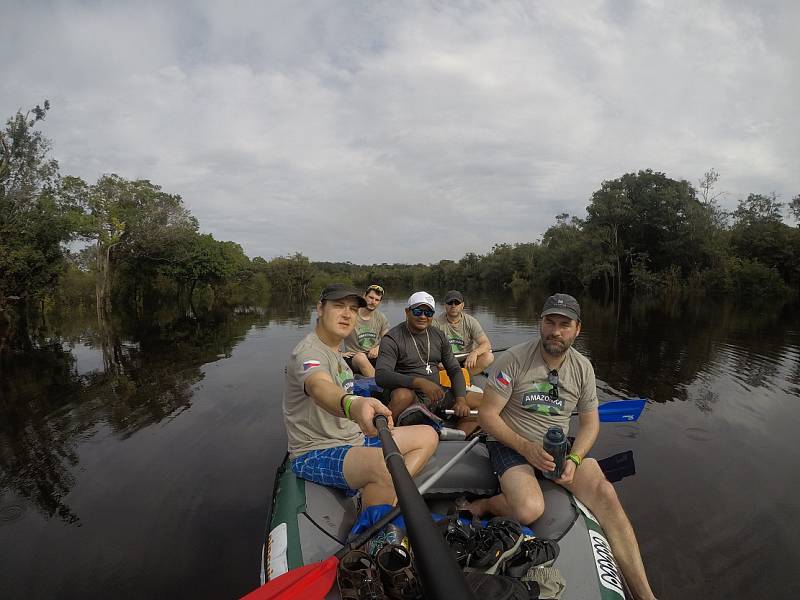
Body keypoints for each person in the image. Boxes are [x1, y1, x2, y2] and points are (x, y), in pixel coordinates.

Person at [464, 293, 657, 600]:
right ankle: (486, 505)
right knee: (529, 508)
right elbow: (487, 416)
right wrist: (525, 448)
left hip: (556, 447)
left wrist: (576, 458)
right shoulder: (513, 359)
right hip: (510, 442)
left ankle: (646, 595)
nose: (555, 331)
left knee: (606, 492)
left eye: (563, 324)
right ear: (540, 324)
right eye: (549, 322)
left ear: (577, 329)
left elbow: (591, 424)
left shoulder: (583, 369)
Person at [283, 283, 438, 508]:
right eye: (338, 306)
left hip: (353, 437)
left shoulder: (336, 352)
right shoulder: (308, 353)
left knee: (428, 435)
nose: (347, 314)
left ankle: (391, 494)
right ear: (320, 308)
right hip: (317, 450)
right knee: (386, 467)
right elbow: (319, 386)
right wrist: (354, 405)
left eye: (353, 309)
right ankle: (371, 533)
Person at [375, 291, 480, 426]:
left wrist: (460, 399)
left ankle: (459, 436)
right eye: (418, 311)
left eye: (428, 313)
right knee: (403, 396)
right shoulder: (392, 338)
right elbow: (381, 375)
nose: (423, 316)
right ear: (407, 311)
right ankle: (385, 432)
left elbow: (454, 369)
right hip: (409, 394)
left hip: (435, 394)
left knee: (483, 402)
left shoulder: (439, 336)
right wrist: (419, 382)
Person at [432, 290, 494, 376]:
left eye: (457, 303)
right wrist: (440, 360)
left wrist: (474, 353)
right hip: (446, 361)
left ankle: (464, 376)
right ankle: (456, 377)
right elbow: (431, 348)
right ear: (445, 305)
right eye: (450, 303)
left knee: (489, 357)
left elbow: (486, 344)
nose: (453, 306)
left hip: (466, 360)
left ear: (462, 305)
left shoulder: (471, 321)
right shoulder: (436, 323)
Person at [342, 284, 389, 378]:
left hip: (373, 356)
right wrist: (340, 353)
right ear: (364, 296)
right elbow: (332, 335)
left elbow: (388, 340)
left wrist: (378, 348)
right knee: (361, 357)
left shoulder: (381, 317)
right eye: (371, 297)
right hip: (354, 358)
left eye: (377, 300)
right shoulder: (350, 315)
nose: (373, 302)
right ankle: (380, 387)